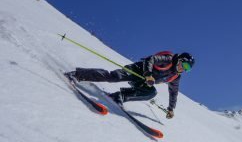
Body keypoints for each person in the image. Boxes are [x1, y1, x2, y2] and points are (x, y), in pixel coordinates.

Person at [65, 51, 195, 119]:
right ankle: (77, 74)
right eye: (184, 65)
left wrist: (171, 108)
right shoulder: (168, 59)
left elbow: (173, 92)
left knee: (151, 93)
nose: (184, 69)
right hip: (137, 70)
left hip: (144, 82)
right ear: (180, 60)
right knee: (113, 77)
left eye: (187, 69)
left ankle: (119, 96)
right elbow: (151, 59)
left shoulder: (175, 76)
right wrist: (148, 73)